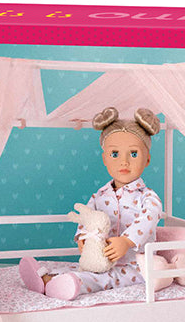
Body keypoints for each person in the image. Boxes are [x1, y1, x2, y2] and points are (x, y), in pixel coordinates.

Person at [19, 106, 163, 300]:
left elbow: (148, 220)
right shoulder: (100, 195)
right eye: (115, 154)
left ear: (147, 159)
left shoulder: (148, 197)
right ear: (105, 159)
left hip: (135, 266)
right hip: (99, 258)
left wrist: (126, 241)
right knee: (81, 269)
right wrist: (82, 237)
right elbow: (86, 217)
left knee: (105, 279)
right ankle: (48, 279)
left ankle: (68, 285)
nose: (124, 162)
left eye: (134, 154)